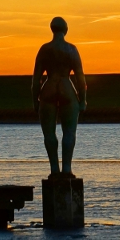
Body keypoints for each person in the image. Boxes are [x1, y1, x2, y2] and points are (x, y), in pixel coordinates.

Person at [31, 17, 87, 177]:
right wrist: (82, 100)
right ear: (66, 29)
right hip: (66, 87)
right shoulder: (71, 49)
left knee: (49, 134)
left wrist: (35, 100)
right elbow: (80, 77)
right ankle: (67, 169)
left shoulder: (44, 50)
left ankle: (54, 170)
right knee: (69, 132)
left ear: (52, 29)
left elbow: (36, 79)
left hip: (48, 88)